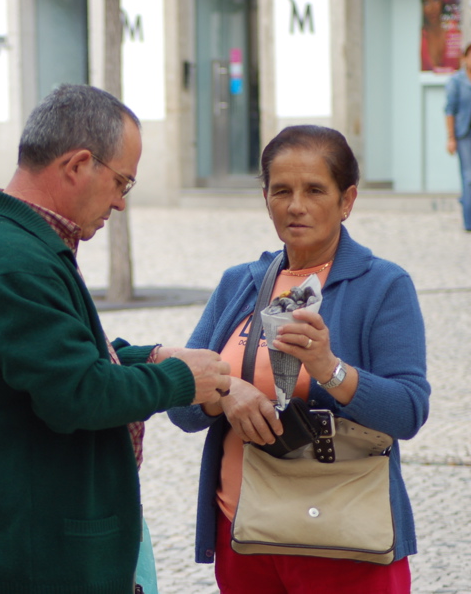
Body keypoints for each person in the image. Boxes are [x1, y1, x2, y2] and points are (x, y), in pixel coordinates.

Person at [0, 84, 231, 593]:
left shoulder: (18, 238)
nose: (119, 202)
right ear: (77, 165)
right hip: (39, 557)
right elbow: (76, 394)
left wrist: (150, 356)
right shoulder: (10, 257)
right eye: (122, 183)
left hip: (37, 546)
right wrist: (179, 380)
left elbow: (59, 354)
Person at [168, 125, 430, 593]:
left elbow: (408, 411)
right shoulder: (241, 283)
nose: (296, 205)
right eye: (282, 190)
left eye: (314, 190)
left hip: (347, 542)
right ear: (265, 196)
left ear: (347, 200)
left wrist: (331, 368)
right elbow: (181, 406)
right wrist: (226, 393)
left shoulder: (383, 286)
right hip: (246, 534)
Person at [445, 42, 471, 231]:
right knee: (470, 177)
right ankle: (470, 222)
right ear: (465, 59)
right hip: (464, 135)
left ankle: (467, 202)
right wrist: (450, 138)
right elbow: (450, 111)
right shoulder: (457, 81)